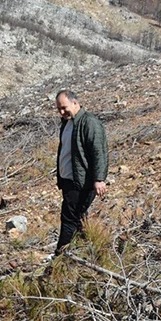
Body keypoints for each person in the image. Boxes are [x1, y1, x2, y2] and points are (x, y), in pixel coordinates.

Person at [54, 90, 108, 252]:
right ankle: (87, 251)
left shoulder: (89, 123)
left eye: (64, 107)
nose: (62, 112)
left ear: (75, 103)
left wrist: (99, 179)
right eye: (59, 109)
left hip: (81, 182)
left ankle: (60, 257)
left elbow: (99, 152)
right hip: (68, 180)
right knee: (78, 218)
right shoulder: (67, 123)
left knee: (69, 219)